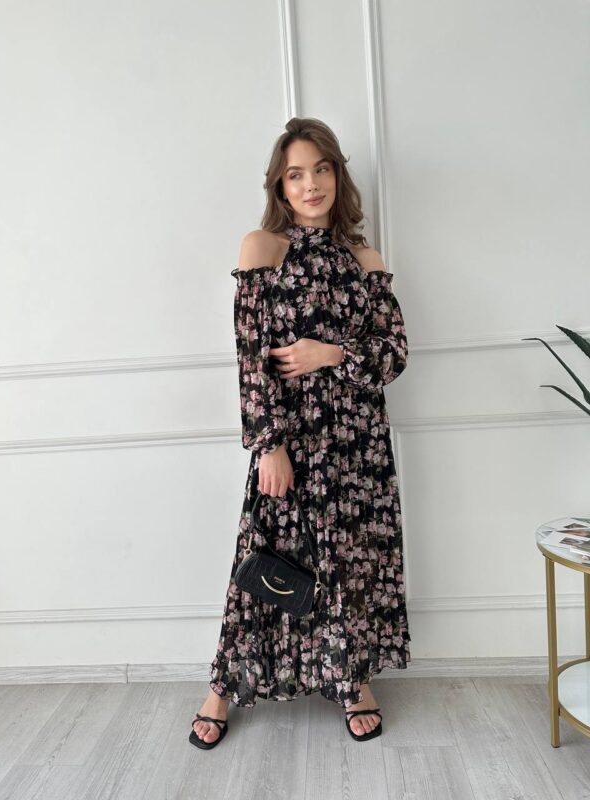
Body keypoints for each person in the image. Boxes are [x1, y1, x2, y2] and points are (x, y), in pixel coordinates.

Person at [189, 117, 411, 750]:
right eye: (295, 174)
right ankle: (221, 690)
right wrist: (269, 444)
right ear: (279, 186)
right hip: (292, 436)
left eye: (321, 169)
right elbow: (250, 358)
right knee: (265, 560)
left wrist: (330, 353)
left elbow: (394, 353)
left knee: (352, 562)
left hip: (359, 442)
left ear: (337, 175)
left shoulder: (365, 259)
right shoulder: (263, 247)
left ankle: (353, 680)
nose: (311, 184)